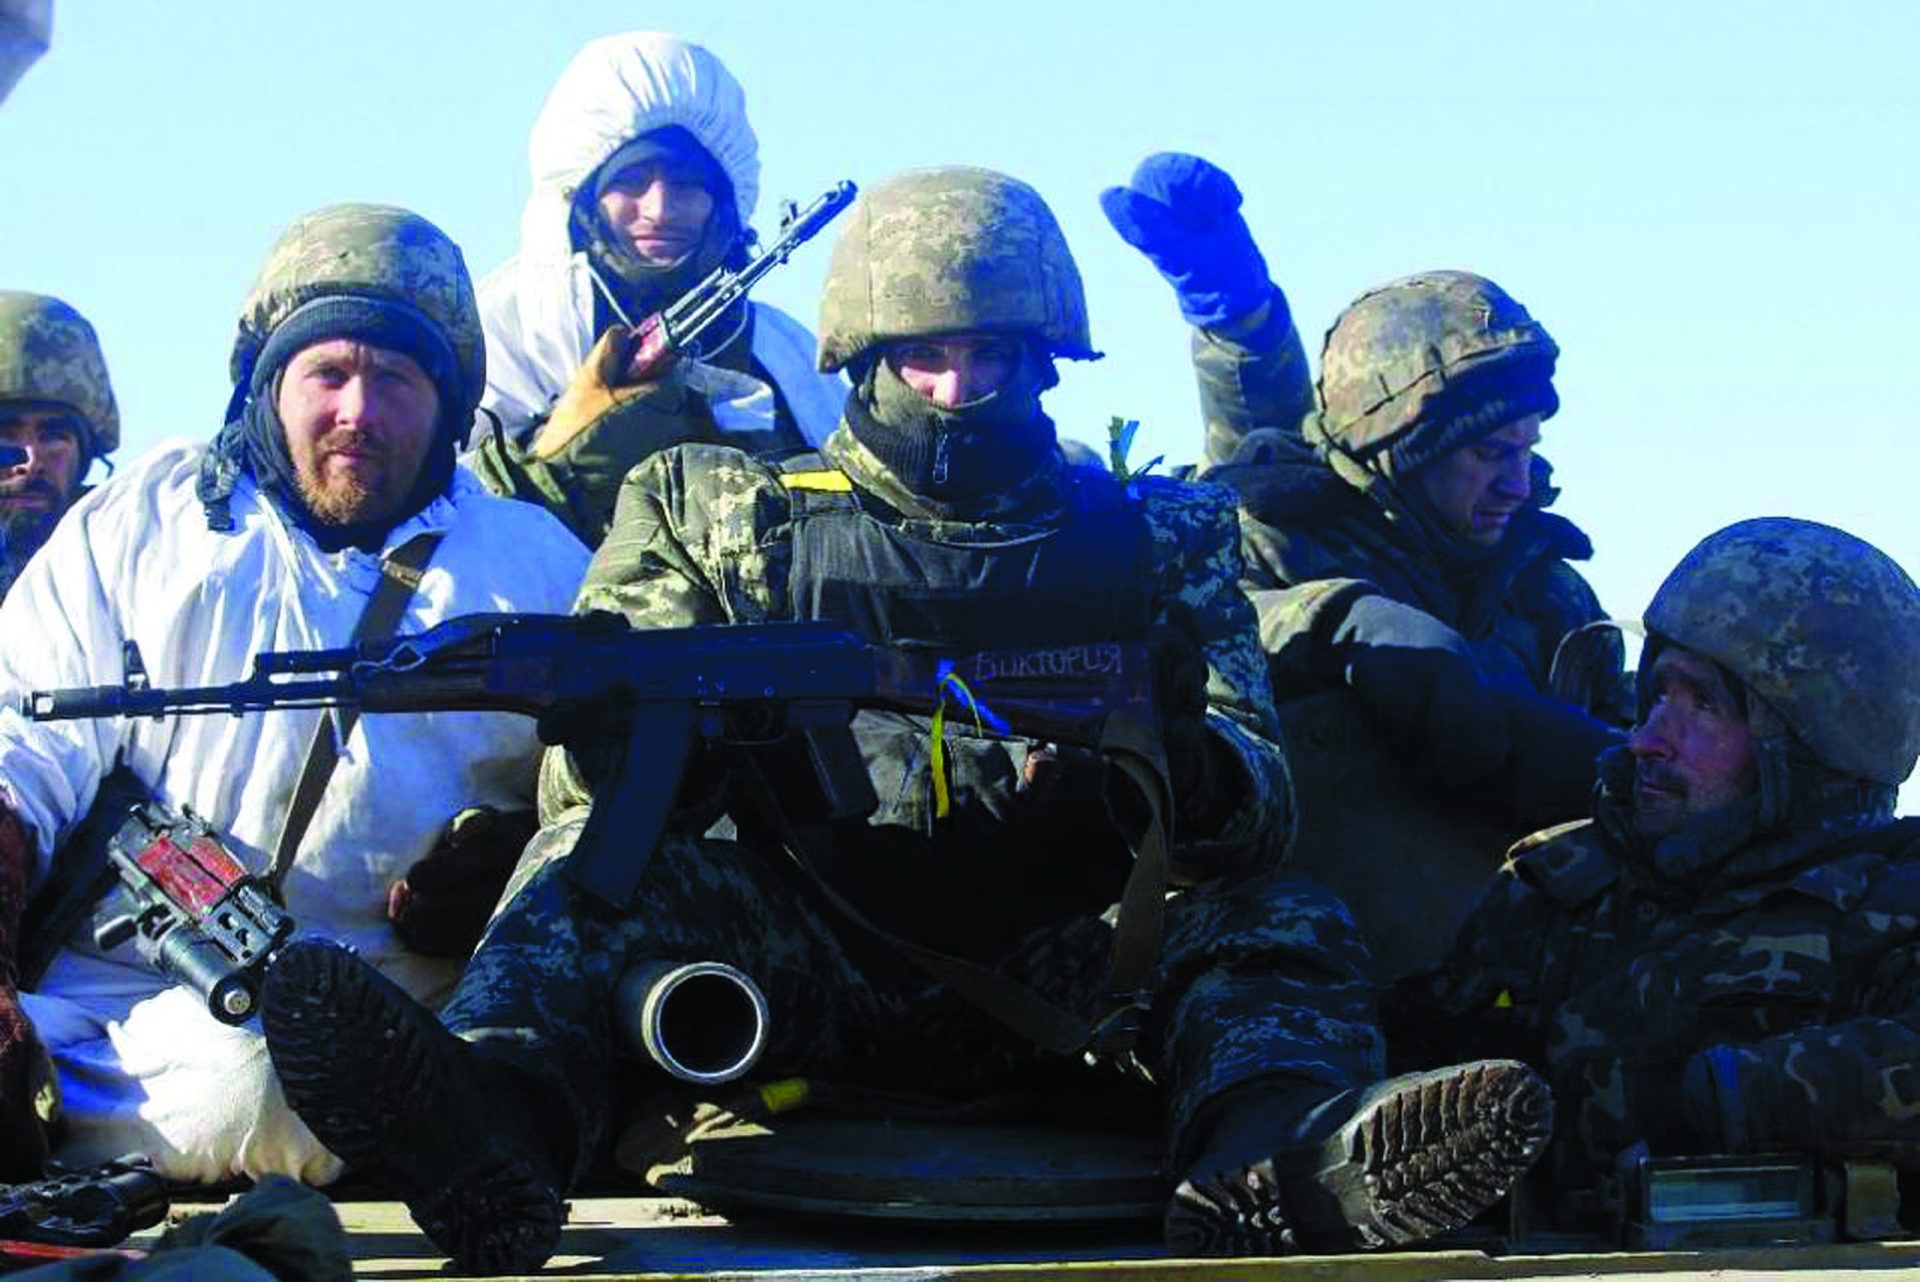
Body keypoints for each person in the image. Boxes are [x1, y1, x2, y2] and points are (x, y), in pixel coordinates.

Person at [259, 166, 1550, 1273]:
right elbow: (590, 805)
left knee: (1284, 919)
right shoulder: (715, 510)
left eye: (990, 354)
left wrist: (1173, 763)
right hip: (798, 950)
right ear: (861, 359)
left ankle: (1278, 1159)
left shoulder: (1159, 538)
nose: (954, 387)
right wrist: (673, 735)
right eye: (924, 353)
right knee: (580, 877)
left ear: (1044, 359)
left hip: (1078, 957)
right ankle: (493, 1124)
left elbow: (1259, 811)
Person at [0, 203, 590, 1185]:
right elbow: (16, 760)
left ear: (447, 405)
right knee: (242, 1077)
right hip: (123, 1016)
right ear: (268, 386)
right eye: (329, 373)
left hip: (421, 1015)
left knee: (273, 1081)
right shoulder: (145, 522)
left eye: (395, 378)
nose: (357, 409)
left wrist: (511, 868)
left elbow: (607, 808)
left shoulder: (537, 568)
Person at [1104, 155, 1625, 976]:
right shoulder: (1281, 542)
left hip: (1525, 977)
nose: (1517, 484)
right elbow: (1192, 628)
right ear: (1404, 454)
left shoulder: (1550, 594)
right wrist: (1329, 619)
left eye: (1529, 448)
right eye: (1489, 451)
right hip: (1298, 968)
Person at [1392, 517, 1920, 1223]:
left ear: (1807, 747)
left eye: (1704, 705)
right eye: (1656, 695)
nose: (1646, 741)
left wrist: (1724, 1095)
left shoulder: (1891, 906)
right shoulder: (1560, 884)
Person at [466, 31, 846, 546]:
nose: (660, 209)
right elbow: (445, 526)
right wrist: (563, 464)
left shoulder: (785, 355)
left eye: (687, 185)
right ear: (582, 196)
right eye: (631, 181)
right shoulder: (506, 331)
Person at [0, 291, 118, 601]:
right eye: (6, 434)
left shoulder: (122, 565)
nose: (31, 460)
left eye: (53, 437)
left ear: (84, 455)